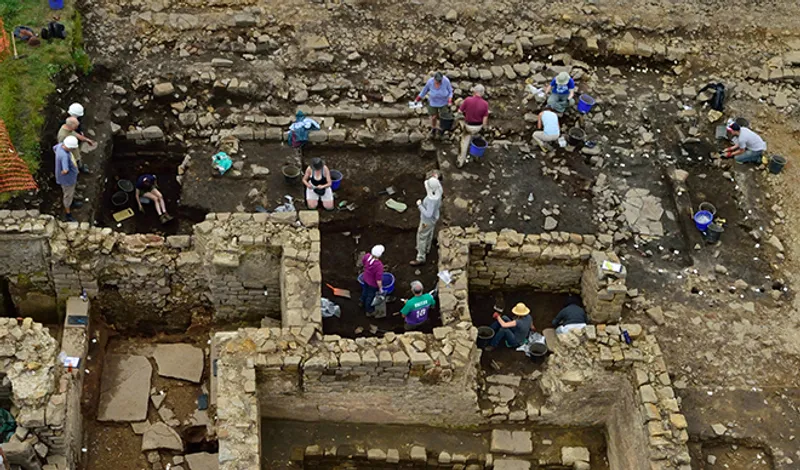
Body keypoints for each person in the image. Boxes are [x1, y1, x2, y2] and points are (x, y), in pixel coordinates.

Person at [410, 176, 442, 266]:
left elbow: (428, 214)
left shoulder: (431, 201)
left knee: (422, 236)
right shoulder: (439, 191)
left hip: (426, 222)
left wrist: (420, 205)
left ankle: (420, 257)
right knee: (429, 232)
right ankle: (427, 248)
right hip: (434, 219)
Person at [457, 84, 489, 168]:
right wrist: (484, 128)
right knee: (476, 140)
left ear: (474, 91)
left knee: (464, 142)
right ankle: (476, 156)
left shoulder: (468, 100)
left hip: (468, 126)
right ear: (482, 93)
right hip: (478, 127)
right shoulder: (485, 104)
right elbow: (485, 120)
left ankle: (460, 161)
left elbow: (459, 111)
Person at [415, 72, 454, 137]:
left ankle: (442, 131)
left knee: (443, 117)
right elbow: (424, 91)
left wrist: (450, 100)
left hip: (443, 102)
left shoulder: (446, 81)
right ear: (434, 79)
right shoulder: (430, 82)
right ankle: (433, 128)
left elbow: (450, 91)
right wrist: (417, 99)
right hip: (433, 102)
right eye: (437, 81)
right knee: (433, 117)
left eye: (440, 81)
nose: (439, 82)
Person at [54, 136, 80, 222]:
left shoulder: (60, 146)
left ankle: (71, 203)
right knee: (68, 195)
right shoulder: (64, 156)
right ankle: (68, 213)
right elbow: (65, 170)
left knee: (70, 194)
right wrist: (61, 173)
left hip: (68, 178)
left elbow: (53, 148)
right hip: (67, 180)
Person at [360, 245, 385, 317]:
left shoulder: (367, 256)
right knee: (370, 296)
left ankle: (361, 301)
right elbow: (378, 280)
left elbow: (364, 262)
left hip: (365, 278)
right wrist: (381, 289)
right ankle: (369, 310)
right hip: (372, 284)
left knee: (365, 291)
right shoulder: (379, 266)